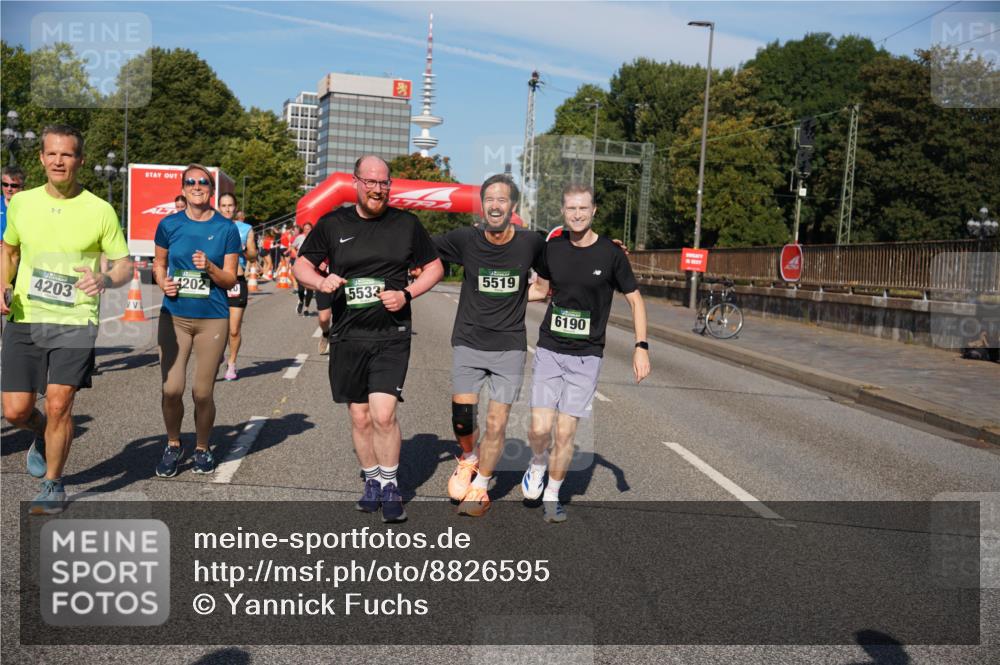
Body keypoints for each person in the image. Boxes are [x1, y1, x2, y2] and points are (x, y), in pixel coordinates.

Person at [293, 155, 443, 522]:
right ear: (356, 183)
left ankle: (391, 485)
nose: (378, 189)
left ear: (389, 185)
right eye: (371, 182)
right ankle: (372, 481)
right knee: (359, 417)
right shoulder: (332, 223)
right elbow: (301, 264)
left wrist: (407, 293)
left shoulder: (406, 224)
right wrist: (320, 282)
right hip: (348, 334)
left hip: (391, 334)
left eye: (384, 183)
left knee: (384, 414)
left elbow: (436, 267)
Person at [0, 125, 133, 515]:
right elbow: (8, 249)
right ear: (41, 158)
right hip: (26, 317)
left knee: (59, 403)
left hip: (75, 319)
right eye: (52, 154)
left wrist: (105, 278)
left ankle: (53, 483)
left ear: (80, 160)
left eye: (68, 154)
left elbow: (124, 264)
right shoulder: (22, 203)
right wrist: (2, 283)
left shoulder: (99, 209)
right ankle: (40, 432)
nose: (59, 161)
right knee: (15, 411)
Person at [525, 183, 650, 523]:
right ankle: (536, 464)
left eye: (583, 208)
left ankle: (552, 495)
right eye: (570, 209)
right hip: (550, 348)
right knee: (539, 428)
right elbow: (540, 289)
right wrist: (504, 297)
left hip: (587, 355)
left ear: (594, 211)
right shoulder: (553, 248)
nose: (577, 214)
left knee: (565, 432)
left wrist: (641, 347)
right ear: (563, 212)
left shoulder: (611, 253)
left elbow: (635, 299)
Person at [430, 174, 547, 516]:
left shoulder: (531, 243)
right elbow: (419, 245)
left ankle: (481, 485)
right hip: (468, 340)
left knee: (497, 424)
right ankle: (468, 456)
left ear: (513, 207)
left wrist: (606, 249)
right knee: (463, 421)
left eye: (503, 200)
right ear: (483, 205)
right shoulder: (465, 239)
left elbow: (561, 261)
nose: (496, 206)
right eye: (490, 200)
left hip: (509, 346)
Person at [152, 164, 240, 478]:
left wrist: (211, 268)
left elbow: (230, 279)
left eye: (203, 182)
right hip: (173, 316)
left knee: (202, 392)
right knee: (172, 389)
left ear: (211, 189)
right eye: (191, 182)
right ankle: (173, 444)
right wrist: (163, 283)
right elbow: (158, 266)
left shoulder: (226, 228)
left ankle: (202, 447)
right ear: (184, 187)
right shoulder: (168, 224)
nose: (197, 186)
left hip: (212, 319)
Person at [218, 194, 256, 380]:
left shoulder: (245, 229)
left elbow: (253, 255)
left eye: (230, 205)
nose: (227, 209)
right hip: (215, 280)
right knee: (215, 326)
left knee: (233, 329)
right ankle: (218, 354)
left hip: (236, 280)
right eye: (223, 205)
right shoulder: (211, 226)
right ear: (218, 207)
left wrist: (243, 249)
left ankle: (231, 364)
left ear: (235, 208)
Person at [292, 222, 314, 315]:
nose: (307, 231)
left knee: (309, 288)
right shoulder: (300, 238)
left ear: (311, 229)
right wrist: (296, 255)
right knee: (301, 289)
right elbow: (292, 247)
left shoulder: (315, 238)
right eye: (305, 229)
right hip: (301, 265)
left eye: (308, 229)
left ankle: (306, 308)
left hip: (312, 265)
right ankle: (301, 301)